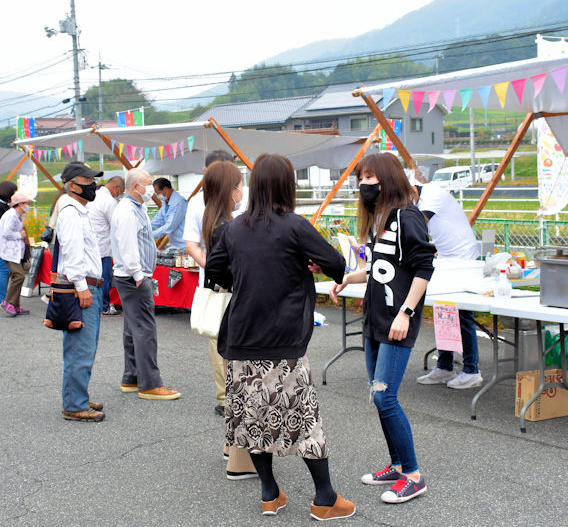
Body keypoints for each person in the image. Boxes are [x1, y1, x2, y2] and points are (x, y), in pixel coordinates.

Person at [206, 154, 354, 520]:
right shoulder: (295, 226)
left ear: (254, 186)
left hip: (241, 339)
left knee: (254, 418)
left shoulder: (234, 229)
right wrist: (310, 264)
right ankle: (324, 499)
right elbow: (337, 265)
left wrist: (242, 279)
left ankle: (270, 494)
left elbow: (213, 271)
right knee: (304, 419)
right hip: (283, 340)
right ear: (288, 185)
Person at [330, 153, 435, 504]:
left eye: (371, 177)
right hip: (375, 321)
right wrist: (348, 278)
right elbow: (379, 266)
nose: (364, 184)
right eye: (361, 177)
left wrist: (406, 312)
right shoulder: (381, 218)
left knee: (384, 396)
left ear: (387, 178)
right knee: (379, 397)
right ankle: (397, 464)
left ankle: (413, 475)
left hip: (397, 322)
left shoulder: (408, 217)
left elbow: (424, 268)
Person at [200, 160, 257, 481]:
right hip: (233, 306)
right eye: (238, 184)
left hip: (224, 304)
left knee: (235, 379)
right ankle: (240, 456)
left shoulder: (216, 220)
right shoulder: (227, 226)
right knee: (241, 381)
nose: (242, 190)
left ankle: (232, 446)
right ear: (229, 190)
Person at [183, 150, 247, 417]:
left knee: (223, 342)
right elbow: (191, 245)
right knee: (221, 341)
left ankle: (230, 395)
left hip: (223, 282)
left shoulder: (223, 209)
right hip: (223, 285)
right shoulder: (204, 208)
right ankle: (226, 396)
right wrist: (213, 268)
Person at [111, 167, 180, 401]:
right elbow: (127, 245)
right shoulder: (127, 211)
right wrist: (139, 275)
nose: (151, 188)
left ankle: (131, 377)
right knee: (145, 329)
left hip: (133, 275)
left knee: (133, 328)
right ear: (136, 186)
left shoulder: (136, 207)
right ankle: (150, 383)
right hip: (133, 276)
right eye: (148, 183)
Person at [415, 177, 483, 389]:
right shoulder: (418, 198)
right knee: (443, 313)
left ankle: (472, 370)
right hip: (446, 259)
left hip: (464, 259)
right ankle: (445, 366)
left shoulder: (431, 195)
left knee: (463, 315)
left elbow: (417, 226)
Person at [56, 161, 106, 422]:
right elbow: (73, 254)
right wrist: (82, 287)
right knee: (80, 348)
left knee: (85, 346)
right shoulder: (71, 213)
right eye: (88, 181)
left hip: (87, 285)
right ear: (72, 185)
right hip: (82, 287)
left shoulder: (79, 210)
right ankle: (74, 404)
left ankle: (78, 397)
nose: (93, 185)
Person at [87, 176, 124, 316]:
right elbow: (116, 226)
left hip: (92, 244)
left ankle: (96, 305)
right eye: (120, 192)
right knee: (104, 278)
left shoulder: (93, 197)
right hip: (103, 246)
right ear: (117, 188)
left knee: (93, 277)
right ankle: (104, 306)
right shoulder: (110, 201)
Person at [0, 191, 32, 316]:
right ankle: (8, 302)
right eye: (26, 203)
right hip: (9, 251)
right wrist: (19, 235)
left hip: (13, 251)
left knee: (17, 275)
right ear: (20, 204)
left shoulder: (15, 215)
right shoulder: (12, 215)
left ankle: (15, 305)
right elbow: (7, 233)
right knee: (19, 275)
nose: (28, 206)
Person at [151, 177, 187, 249]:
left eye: (157, 193)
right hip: (176, 244)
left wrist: (150, 235)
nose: (157, 196)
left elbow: (170, 226)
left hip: (184, 244)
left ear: (165, 189)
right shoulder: (166, 202)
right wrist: (144, 229)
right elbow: (158, 220)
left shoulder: (179, 202)